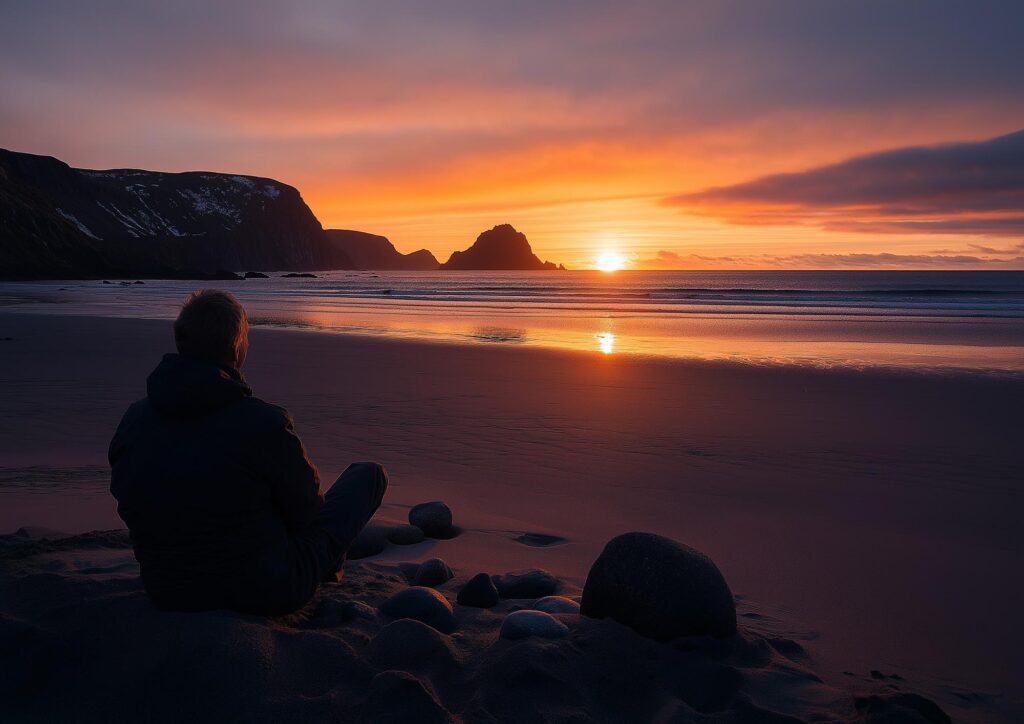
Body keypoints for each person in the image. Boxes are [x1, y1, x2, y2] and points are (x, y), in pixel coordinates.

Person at [109, 289, 387, 615]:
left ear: (180, 343)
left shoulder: (133, 420)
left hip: (167, 590)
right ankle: (327, 571)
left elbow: (128, 501)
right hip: (262, 591)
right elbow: (308, 512)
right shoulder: (264, 423)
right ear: (237, 349)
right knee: (367, 476)